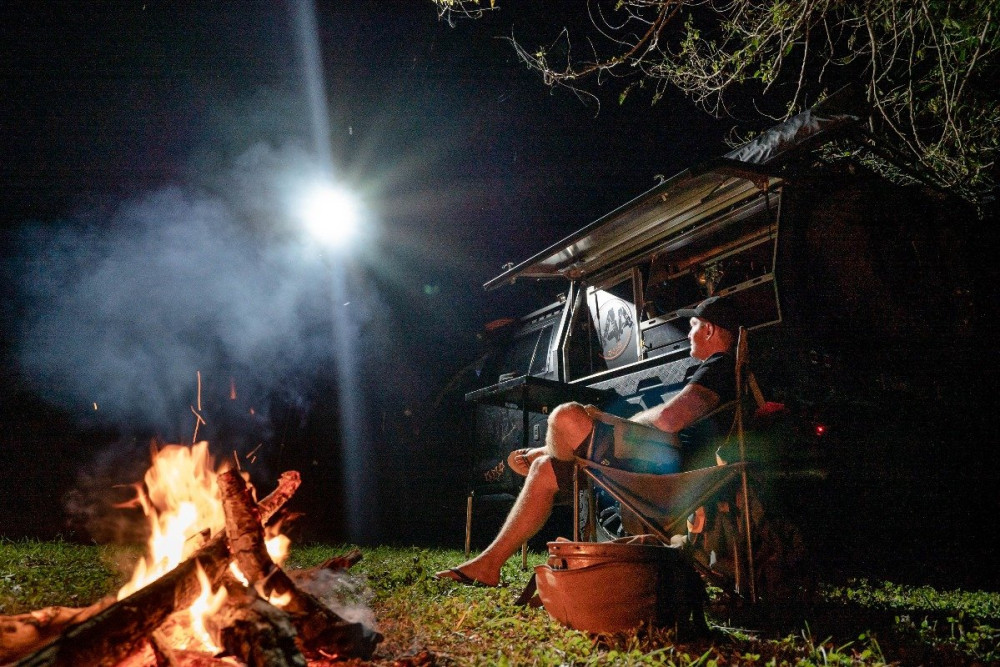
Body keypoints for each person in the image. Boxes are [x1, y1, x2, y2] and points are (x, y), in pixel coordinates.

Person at [435, 295, 741, 587]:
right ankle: (488, 565)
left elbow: (669, 420)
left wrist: (613, 422)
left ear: (709, 329)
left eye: (693, 325)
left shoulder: (719, 365)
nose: (688, 333)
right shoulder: (716, 368)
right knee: (544, 468)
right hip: (657, 465)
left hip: (668, 472)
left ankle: (550, 448)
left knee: (566, 416)